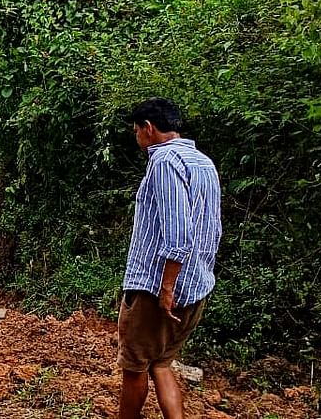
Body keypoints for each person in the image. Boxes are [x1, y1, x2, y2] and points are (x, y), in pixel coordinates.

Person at [117, 97, 221, 419]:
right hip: (197, 285)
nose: (137, 138)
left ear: (148, 129)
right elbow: (212, 229)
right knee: (161, 364)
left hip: (158, 289)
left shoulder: (163, 161)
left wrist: (166, 289)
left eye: (136, 131)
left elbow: (178, 236)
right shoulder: (203, 162)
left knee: (134, 369)